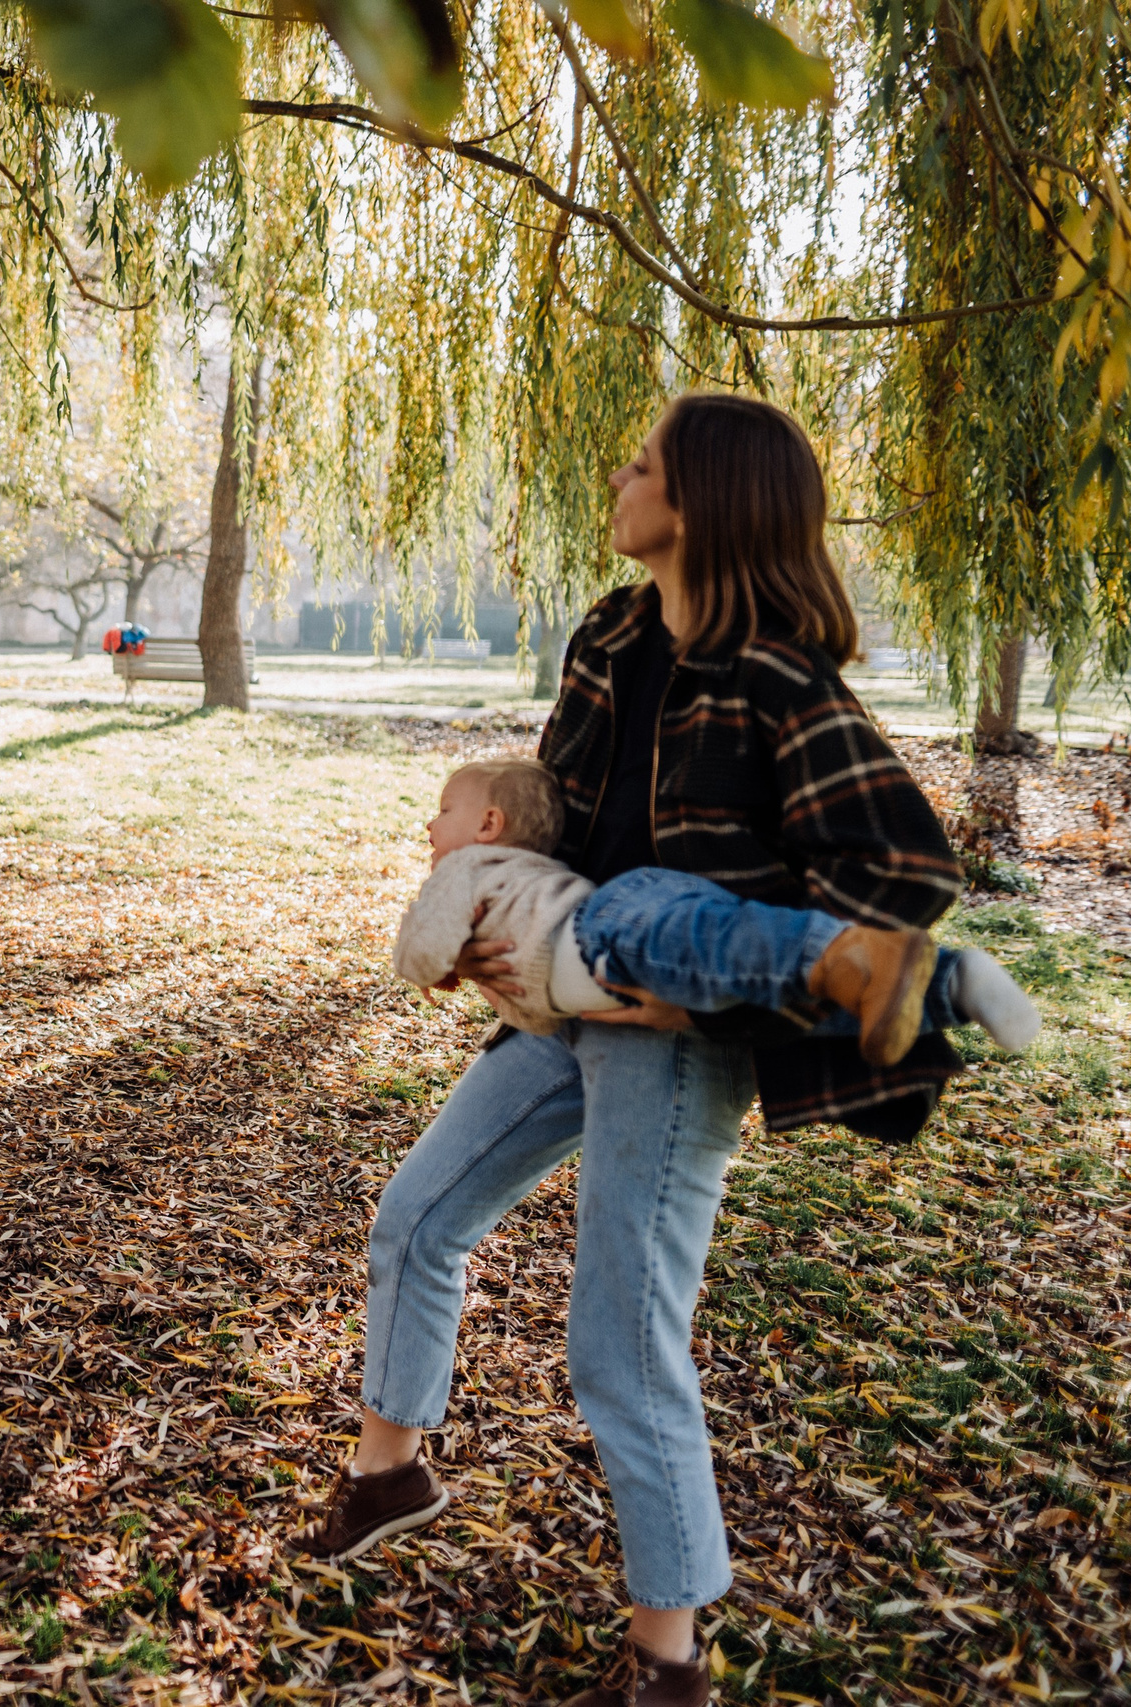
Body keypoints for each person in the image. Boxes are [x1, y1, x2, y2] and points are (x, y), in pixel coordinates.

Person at [294, 394, 970, 1707]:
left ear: (702, 500)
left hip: (670, 1042)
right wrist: (490, 896)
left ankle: (670, 1657)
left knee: (620, 1343)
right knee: (418, 1213)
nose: (621, 471)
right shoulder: (610, 635)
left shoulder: (778, 676)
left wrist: (704, 1000)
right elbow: (564, 807)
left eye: (645, 461)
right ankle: (390, 1468)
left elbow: (903, 868)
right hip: (565, 995)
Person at [393, 756, 1039, 1061]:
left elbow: (421, 941)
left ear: (488, 824)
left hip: (605, 932)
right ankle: (954, 985)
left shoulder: (466, 868)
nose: (430, 823)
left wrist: (430, 967)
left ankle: (867, 957)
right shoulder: (523, 867)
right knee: (769, 987)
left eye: (443, 810)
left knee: (761, 960)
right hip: (620, 949)